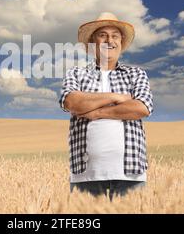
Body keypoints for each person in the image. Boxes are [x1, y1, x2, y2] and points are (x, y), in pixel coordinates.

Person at [59, 12, 154, 201]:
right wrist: (116, 97)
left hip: (130, 175)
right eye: (102, 35)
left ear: (121, 41)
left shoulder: (136, 74)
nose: (109, 40)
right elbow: (71, 102)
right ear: (93, 42)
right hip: (85, 175)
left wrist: (97, 111)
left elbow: (142, 107)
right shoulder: (76, 73)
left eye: (115, 35)